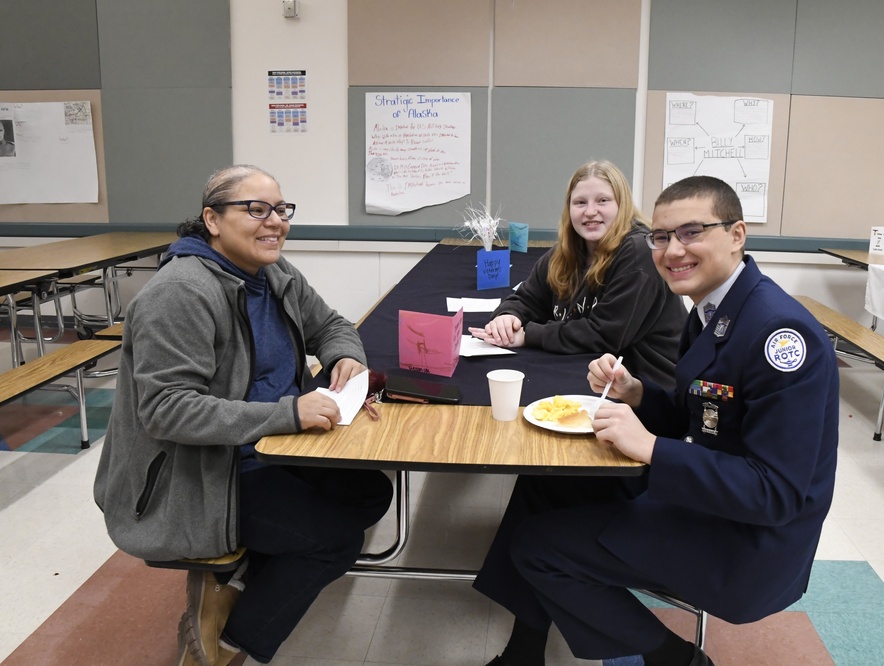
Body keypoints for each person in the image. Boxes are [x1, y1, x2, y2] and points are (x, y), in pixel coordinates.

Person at [473, 176, 839, 666]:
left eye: (691, 233)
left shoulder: (780, 335)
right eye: (661, 237)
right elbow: (707, 421)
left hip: (747, 542)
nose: (672, 250)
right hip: (707, 498)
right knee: (546, 484)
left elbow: (775, 494)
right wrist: (640, 396)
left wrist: (650, 448)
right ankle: (524, 653)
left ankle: (675, 659)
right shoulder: (715, 310)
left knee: (539, 548)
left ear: (737, 235)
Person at [93, 165, 394, 666]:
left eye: (280, 209)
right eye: (255, 209)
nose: (274, 221)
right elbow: (168, 411)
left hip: (267, 448)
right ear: (212, 219)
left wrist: (344, 356)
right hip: (202, 474)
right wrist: (288, 413)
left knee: (370, 491)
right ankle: (225, 645)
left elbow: (332, 324)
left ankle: (233, 580)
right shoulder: (179, 293)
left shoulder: (273, 273)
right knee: (333, 543)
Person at [468, 160, 686, 392]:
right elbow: (527, 298)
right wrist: (508, 316)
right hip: (595, 375)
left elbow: (604, 335)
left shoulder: (639, 252)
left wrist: (529, 335)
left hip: (651, 391)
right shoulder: (566, 252)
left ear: (623, 205)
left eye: (603, 201)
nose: (590, 211)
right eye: (580, 202)